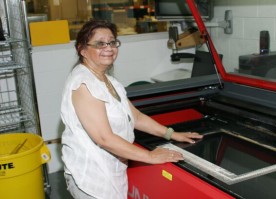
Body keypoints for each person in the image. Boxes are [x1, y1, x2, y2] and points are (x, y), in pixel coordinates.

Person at [61, 19, 202, 199]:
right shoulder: (84, 84)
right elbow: (104, 138)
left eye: (112, 42)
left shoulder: (108, 80)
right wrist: (150, 156)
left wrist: (172, 134)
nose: (109, 48)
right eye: (99, 44)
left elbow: (135, 116)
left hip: (111, 170)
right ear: (82, 50)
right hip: (92, 178)